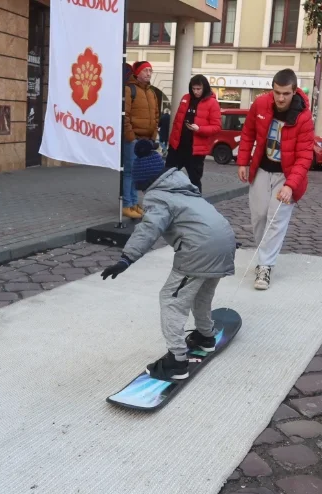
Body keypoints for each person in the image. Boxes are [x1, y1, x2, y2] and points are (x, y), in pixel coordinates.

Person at [101, 139, 236, 381]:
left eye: (141, 188)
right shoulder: (182, 186)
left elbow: (148, 228)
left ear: (146, 182)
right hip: (224, 242)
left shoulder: (158, 197)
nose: (143, 193)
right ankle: (206, 336)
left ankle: (177, 362)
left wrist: (126, 258)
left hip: (200, 250)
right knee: (201, 293)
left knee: (171, 299)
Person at [236, 68, 313, 290]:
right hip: (261, 169)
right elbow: (249, 132)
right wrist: (243, 161)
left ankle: (265, 266)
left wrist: (291, 185)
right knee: (259, 216)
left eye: (286, 94)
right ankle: (264, 257)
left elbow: (305, 155)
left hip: (286, 175)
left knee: (275, 219)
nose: (281, 98)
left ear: (294, 91)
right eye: (277, 92)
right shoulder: (260, 104)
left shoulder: (303, 117)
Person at [166, 75, 222, 193]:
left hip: (196, 151)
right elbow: (177, 122)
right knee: (166, 177)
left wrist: (199, 129)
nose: (195, 92)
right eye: (193, 89)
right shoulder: (185, 98)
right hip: (177, 147)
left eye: (198, 89)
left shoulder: (212, 103)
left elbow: (217, 127)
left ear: (204, 88)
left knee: (195, 181)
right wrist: (171, 143)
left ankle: (196, 206)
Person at [121, 61, 160, 220]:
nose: (149, 73)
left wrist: (153, 135)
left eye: (151, 70)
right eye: (146, 70)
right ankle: (127, 204)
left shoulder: (151, 93)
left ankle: (135, 202)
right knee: (129, 172)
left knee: (138, 174)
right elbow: (125, 115)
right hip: (134, 139)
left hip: (146, 140)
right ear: (138, 73)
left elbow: (156, 116)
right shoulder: (130, 90)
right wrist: (130, 136)